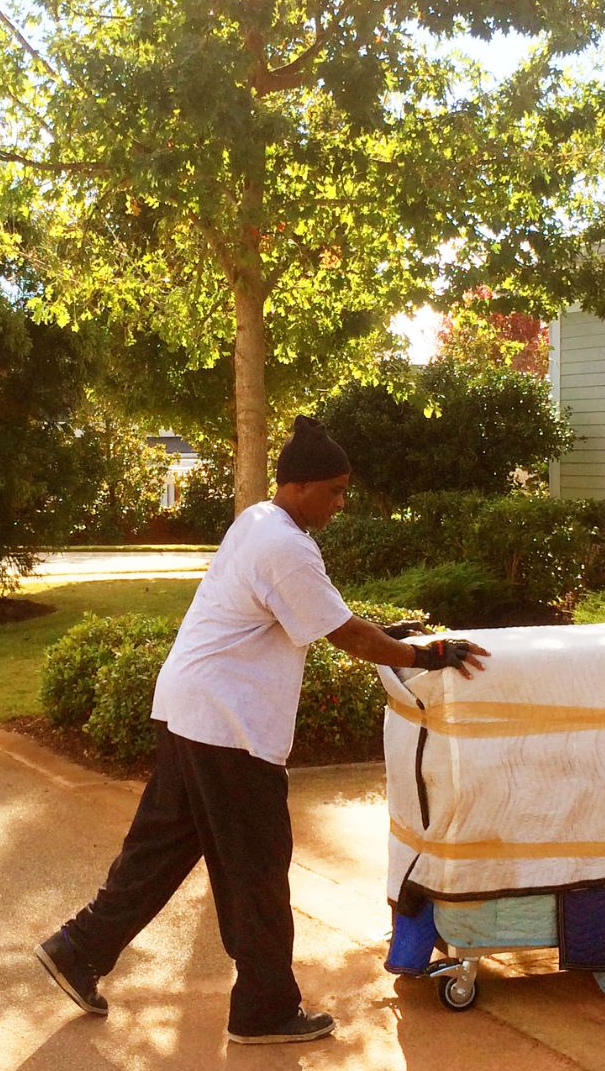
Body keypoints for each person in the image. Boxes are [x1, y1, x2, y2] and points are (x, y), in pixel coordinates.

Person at [36, 415, 488, 1045]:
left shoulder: (259, 522)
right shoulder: (284, 545)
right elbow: (346, 634)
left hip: (191, 712)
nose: (340, 502)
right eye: (333, 490)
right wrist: (423, 656)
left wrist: (400, 637)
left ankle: (78, 949)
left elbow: (325, 614)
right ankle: (263, 1008)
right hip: (228, 729)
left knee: (160, 851)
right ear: (298, 486)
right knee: (258, 868)